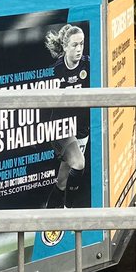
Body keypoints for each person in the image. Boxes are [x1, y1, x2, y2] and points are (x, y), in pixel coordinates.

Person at [41, 24, 89, 208]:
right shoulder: (56, 70)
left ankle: (51, 210)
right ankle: (71, 210)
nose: (79, 49)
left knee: (62, 180)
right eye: (75, 45)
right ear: (66, 46)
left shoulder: (89, 64)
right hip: (62, 128)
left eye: (82, 44)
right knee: (78, 163)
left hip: (82, 129)